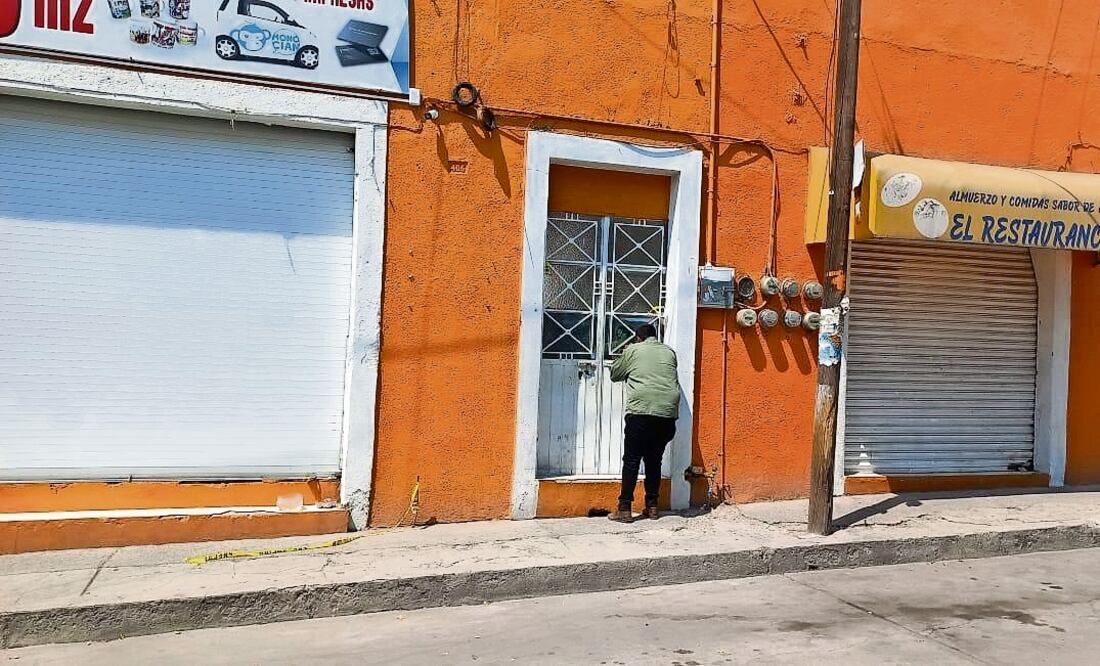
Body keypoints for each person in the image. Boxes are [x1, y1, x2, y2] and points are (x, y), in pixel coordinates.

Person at [607, 323, 680, 523]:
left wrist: (625, 354)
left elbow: (615, 374)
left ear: (638, 337)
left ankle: (624, 508)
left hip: (641, 413)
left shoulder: (633, 349)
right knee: (654, 460)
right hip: (666, 415)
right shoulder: (669, 352)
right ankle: (653, 506)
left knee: (631, 460)